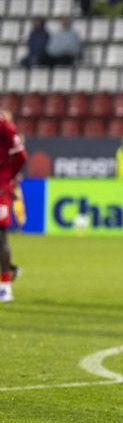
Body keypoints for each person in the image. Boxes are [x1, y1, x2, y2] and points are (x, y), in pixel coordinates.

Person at [0, 110, 26, 303]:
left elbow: (20, 156)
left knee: (1, 237)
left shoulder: (3, 123)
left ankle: (5, 286)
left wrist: (7, 179)